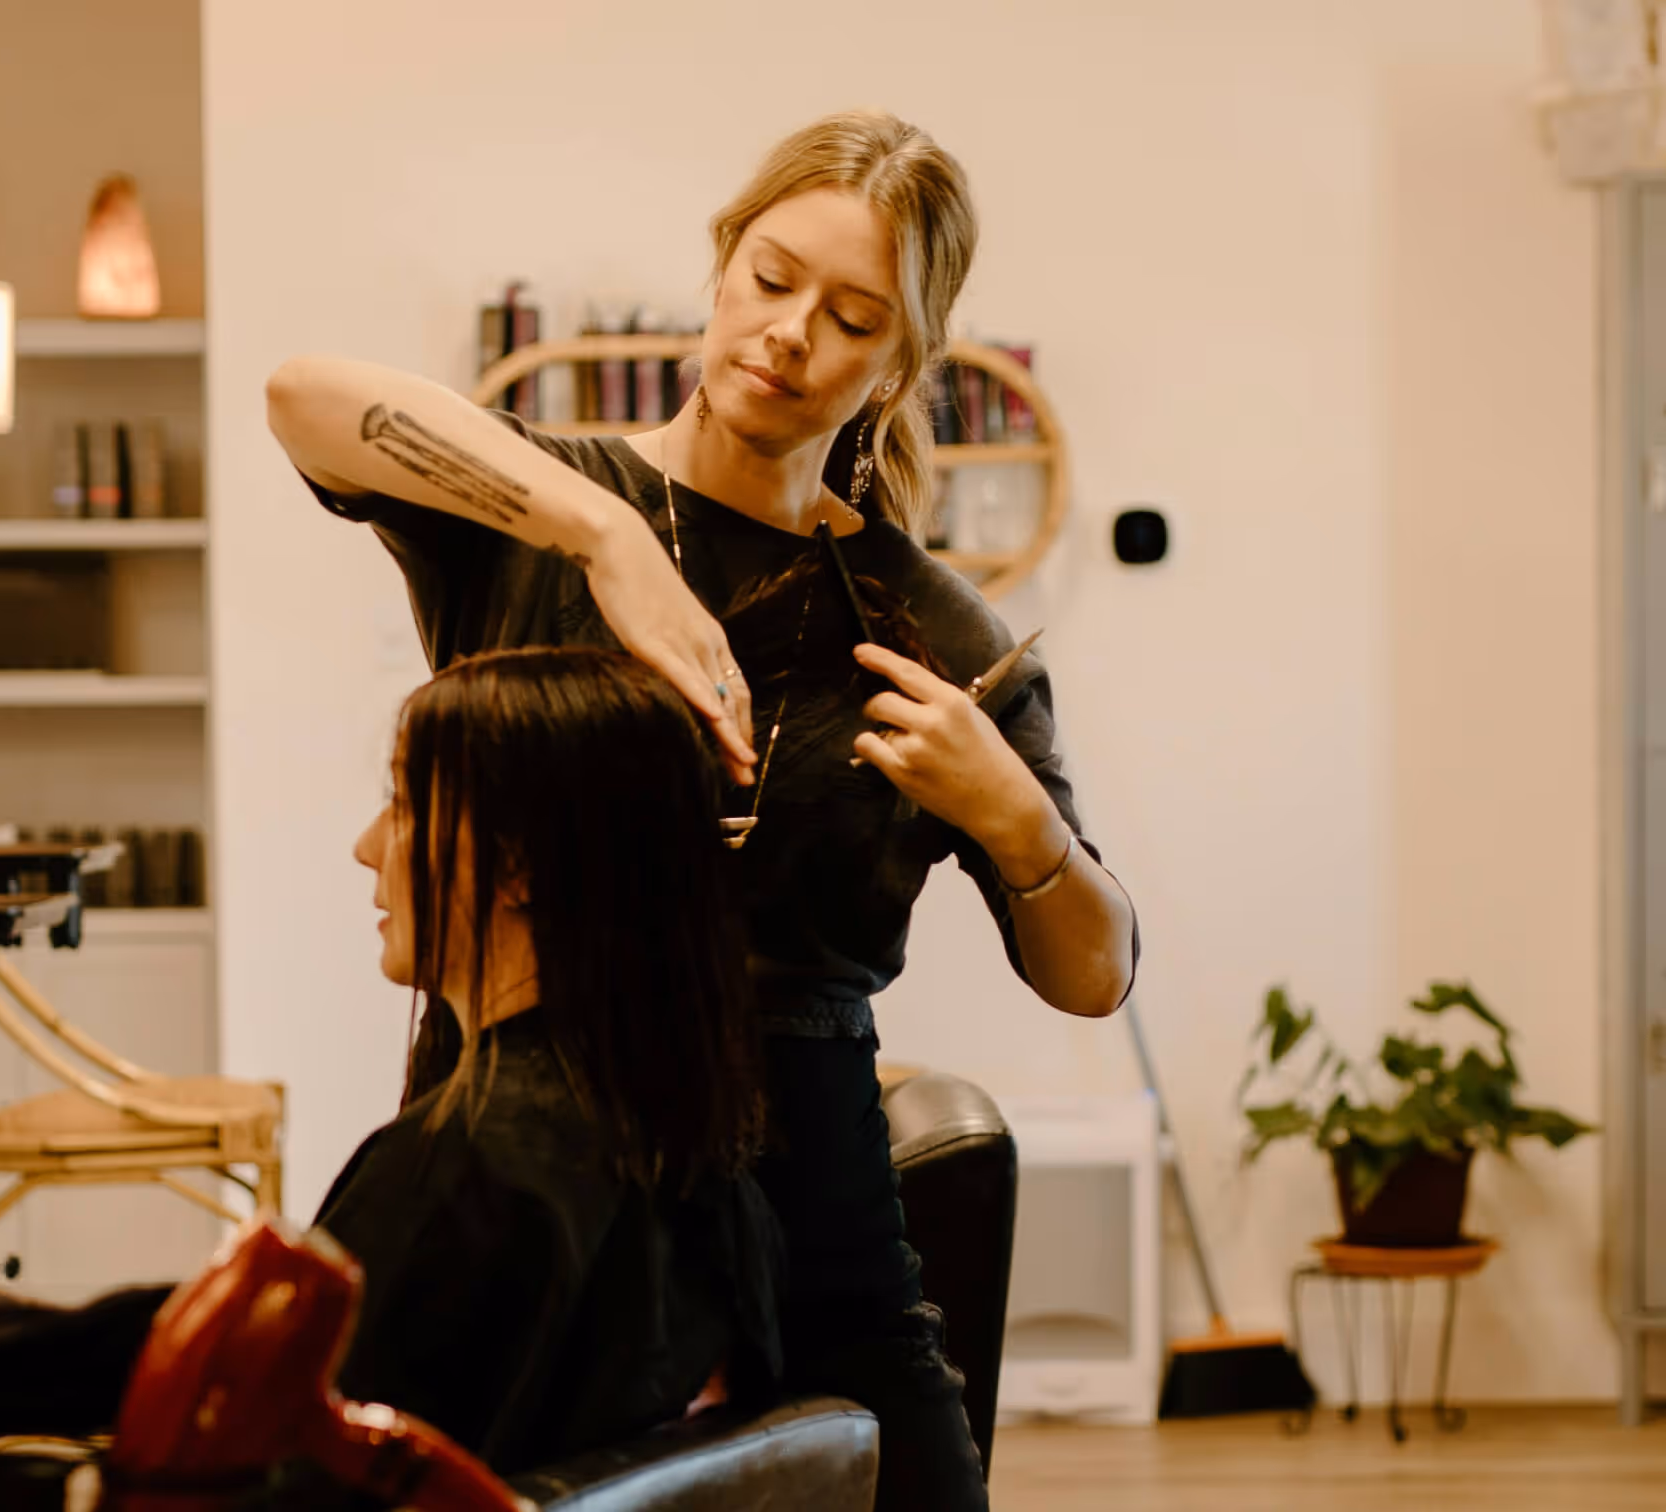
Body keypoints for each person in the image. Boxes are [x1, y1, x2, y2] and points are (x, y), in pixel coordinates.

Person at [266, 108, 1139, 1510]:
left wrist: (1016, 816)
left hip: (810, 1212)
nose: (793, 333)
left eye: (853, 318)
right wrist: (602, 536)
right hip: (533, 1198)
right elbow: (306, 395)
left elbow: (1095, 975)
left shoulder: (932, 630)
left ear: (899, 362)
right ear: (724, 261)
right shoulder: (543, 511)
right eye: (773, 278)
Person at [311, 646, 782, 1477]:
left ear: (519, 863)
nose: (366, 846)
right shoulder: (701, 1153)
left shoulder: (457, 1171)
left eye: (402, 803)